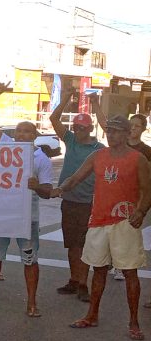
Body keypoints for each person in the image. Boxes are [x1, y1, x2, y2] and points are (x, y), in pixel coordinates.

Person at [52, 115, 151, 341]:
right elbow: (75, 178)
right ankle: (92, 314)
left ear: (127, 133)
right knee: (97, 269)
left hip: (124, 223)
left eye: (116, 131)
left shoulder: (138, 159)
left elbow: (147, 190)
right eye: (108, 130)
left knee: (129, 272)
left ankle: (134, 322)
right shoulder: (98, 156)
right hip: (98, 221)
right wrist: (58, 189)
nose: (111, 134)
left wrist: (140, 212)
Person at [0, 82, 53, 317]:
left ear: (35, 135)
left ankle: (31, 302)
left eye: (26, 131)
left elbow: (47, 190)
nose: (21, 134)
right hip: (3, 216)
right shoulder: (7, 147)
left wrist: (37, 187)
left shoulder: (41, 159)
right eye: (18, 130)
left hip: (28, 218)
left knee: (30, 259)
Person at [49, 88, 106, 300]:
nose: (78, 130)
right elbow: (54, 119)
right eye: (76, 127)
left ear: (90, 128)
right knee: (72, 244)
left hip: (87, 203)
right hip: (69, 201)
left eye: (82, 127)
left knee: (83, 245)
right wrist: (66, 97)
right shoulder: (70, 140)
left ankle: (83, 283)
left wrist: (96, 103)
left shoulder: (99, 148)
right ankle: (74, 280)